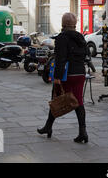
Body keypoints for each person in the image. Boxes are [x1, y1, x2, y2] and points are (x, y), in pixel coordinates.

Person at [37, 13, 90, 143]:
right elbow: (86, 55)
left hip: (67, 75)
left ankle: (48, 127)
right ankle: (83, 132)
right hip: (80, 74)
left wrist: (57, 77)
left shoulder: (62, 38)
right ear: (74, 24)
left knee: (55, 98)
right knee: (78, 101)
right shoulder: (81, 37)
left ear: (63, 24)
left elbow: (60, 58)